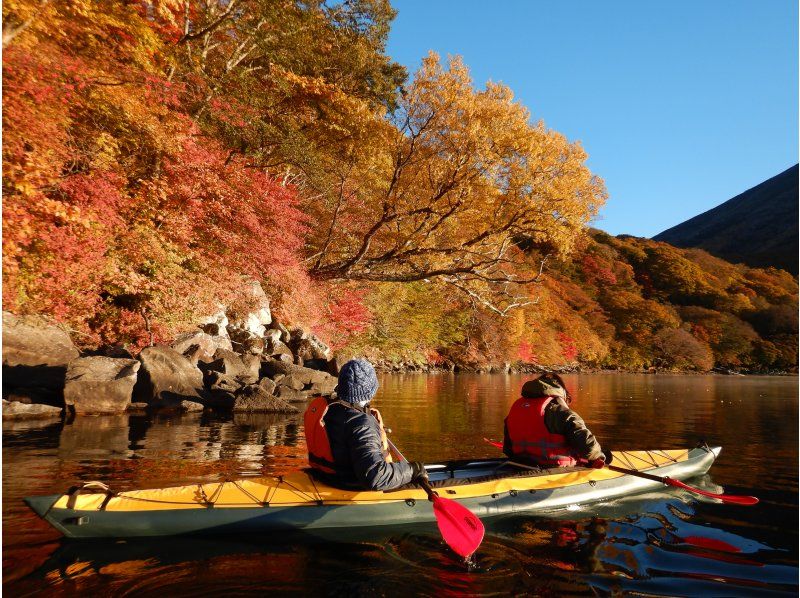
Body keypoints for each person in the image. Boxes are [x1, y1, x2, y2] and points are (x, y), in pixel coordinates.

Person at [304, 358, 428, 490]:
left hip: (327, 477)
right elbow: (375, 477)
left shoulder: (331, 410)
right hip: (348, 485)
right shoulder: (362, 424)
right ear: (371, 391)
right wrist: (414, 470)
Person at [502, 373, 609, 469]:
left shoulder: (515, 410)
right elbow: (589, 449)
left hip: (518, 465)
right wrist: (599, 456)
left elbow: (508, 450)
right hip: (552, 468)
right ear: (561, 392)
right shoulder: (564, 414)